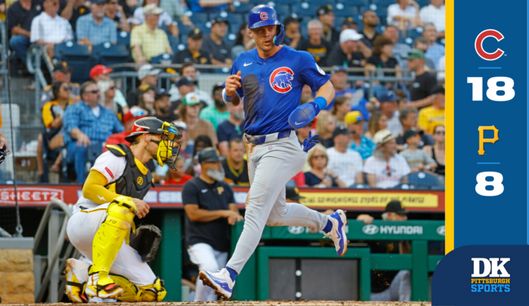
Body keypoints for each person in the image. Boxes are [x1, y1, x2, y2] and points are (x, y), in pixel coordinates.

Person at [199, 5, 347, 299]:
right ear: (250, 32)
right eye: (261, 29)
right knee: (274, 215)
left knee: (254, 211)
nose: (268, 34)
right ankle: (330, 223)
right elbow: (233, 100)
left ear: (277, 28)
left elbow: (328, 87)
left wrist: (315, 105)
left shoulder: (297, 58)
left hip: (284, 143)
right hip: (254, 145)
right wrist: (229, 91)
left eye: (272, 28)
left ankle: (228, 275)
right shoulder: (242, 61)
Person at [64, 117, 179, 303]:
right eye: (163, 138)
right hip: (83, 222)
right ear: (146, 137)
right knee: (123, 207)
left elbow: (118, 222)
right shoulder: (115, 156)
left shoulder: (146, 175)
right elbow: (90, 189)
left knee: (153, 292)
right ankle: (97, 278)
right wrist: (128, 200)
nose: (168, 145)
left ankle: (84, 274)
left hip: (105, 229)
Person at [184, 148, 243, 302]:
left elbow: (233, 210)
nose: (218, 166)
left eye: (218, 162)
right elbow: (193, 214)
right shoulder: (192, 186)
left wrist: (232, 215)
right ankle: (198, 302)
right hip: (199, 241)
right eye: (214, 163)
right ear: (203, 164)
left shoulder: (225, 187)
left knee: (217, 286)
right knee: (209, 269)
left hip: (221, 243)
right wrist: (223, 213)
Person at [63, 81, 124, 183]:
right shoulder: (75, 108)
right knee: (81, 147)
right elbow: (71, 127)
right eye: (94, 91)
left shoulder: (108, 112)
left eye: (98, 91)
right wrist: (80, 135)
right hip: (82, 143)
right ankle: (81, 185)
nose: (98, 94)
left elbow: (120, 131)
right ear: (85, 96)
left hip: (105, 145)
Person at [357, 200, 412, 301]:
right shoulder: (378, 230)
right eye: (401, 215)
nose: (405, 218)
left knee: (406, 272)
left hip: (394, 289)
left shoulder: (406, 236)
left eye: (405, 215)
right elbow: (360, 225)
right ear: (390, 215)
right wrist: (361, 218)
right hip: (375, 293)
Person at [7, 0, 41, 65]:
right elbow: (13, 28)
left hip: (42, 36)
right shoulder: (14, 8)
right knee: (15, 41)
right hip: (25, 36)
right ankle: (32, 65)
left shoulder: (40, 2)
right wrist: (29, 34)